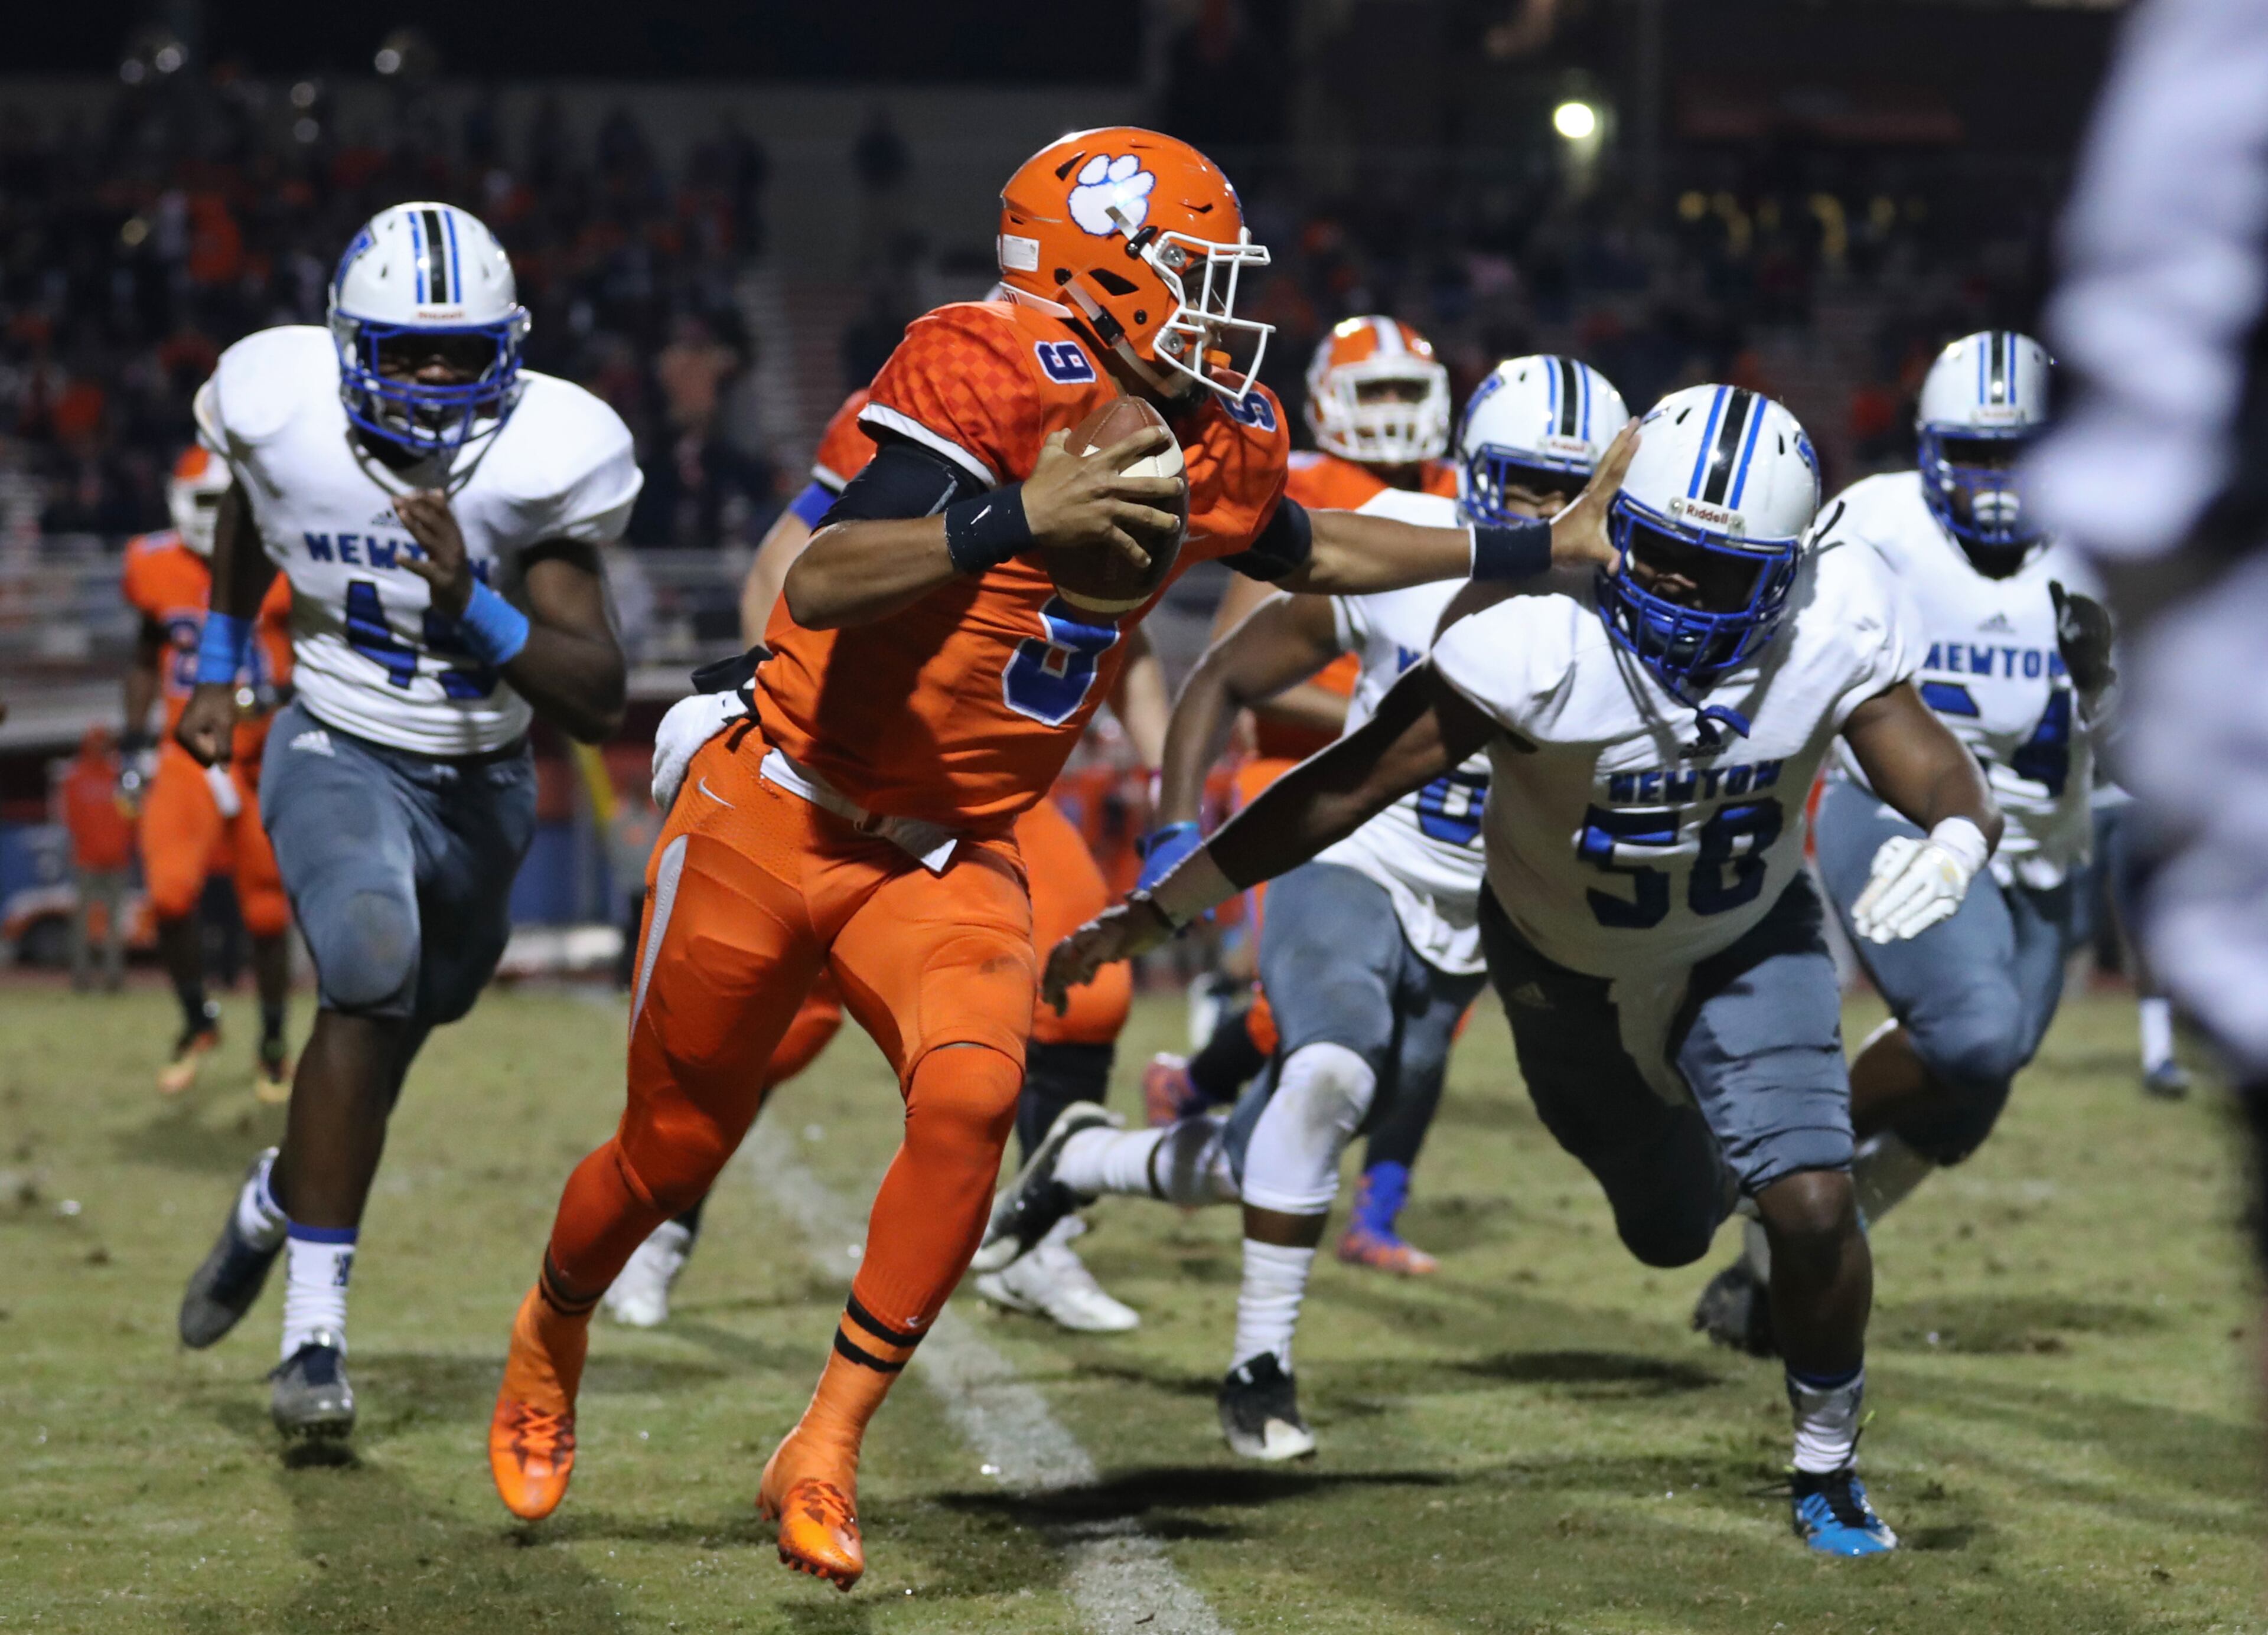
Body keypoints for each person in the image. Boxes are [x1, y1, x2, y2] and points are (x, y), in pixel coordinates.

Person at [488, 126, 1616, 1591]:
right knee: (670, 1152)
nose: (1218, 310)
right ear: (1098, 270)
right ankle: (549, 1327)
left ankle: (822, 1441)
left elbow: (1317, 546)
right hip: (783, 807)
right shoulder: (989, 365)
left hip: (947, 850)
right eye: (1191, 275)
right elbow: (824, 579)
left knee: (971, 1093)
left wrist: (1536, 552)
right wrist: (1016, 515)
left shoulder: (1209, 431)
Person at [1048, 383, 2009, 1556]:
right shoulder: (1534, 632)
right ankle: (1733, 1147)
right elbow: (1343, 784)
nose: (1685, 597)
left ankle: (1829, 1466)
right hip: (1567, 965)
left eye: (1727, 572)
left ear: (1793, 568)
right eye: (1661, 555)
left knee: (1810, 1203)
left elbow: (1933, 762)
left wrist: (1962, 833)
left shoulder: (1836, 617)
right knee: (1666, 1229)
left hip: (1747, 937)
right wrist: (1167, 903)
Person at [979, 357, 1631, 1460]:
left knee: (1274, 1144)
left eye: (1566, 491)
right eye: (1520, 485)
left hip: (1483, 915)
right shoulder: (1417, 548)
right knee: (1332, 1071)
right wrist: (1178, 839)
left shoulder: (1634, 598)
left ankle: (1087, 1160)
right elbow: (1224, 677)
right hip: (1355, 862)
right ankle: (1258, 1368)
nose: (1540, 516)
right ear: (1473, 478)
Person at [172, 202, 639, 1444]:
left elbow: (595, 694)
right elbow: (246, 508)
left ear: (509, 348)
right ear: (344, 343)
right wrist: (220, 661)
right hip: (334, 743)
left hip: (480, 783)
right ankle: (312, 1338)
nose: (435, 379)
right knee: (367, 969)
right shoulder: (280, 408)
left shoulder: (544, 456)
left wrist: (472, 603)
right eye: (407, 350)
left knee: (394, 1031)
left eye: (461, 352)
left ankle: (278, 1198)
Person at [603, 386, 1168, 1336]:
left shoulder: (1145, 425)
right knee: (773, 1032)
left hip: (992, 780)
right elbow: (796, 559)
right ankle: (656, 1227)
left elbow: (1130, 622)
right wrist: (767, 691)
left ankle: (1038, 1241)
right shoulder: (952, 391)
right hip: (862, 762)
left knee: (1089, 996)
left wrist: (1156, 767)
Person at [1691, 332, 2119, 1354]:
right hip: (1905, 814)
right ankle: (1770, 1141)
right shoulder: (1875, 525)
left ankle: (1777, 1268)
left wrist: (2110, 688)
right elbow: (1778, 652)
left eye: (2023, 453)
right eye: (1980, 453)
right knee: (1974, 1029)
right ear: (1928, 448)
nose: (2004, 481)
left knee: (1968, 1100)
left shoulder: (2110, 539)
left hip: (2046, 850)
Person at [1146, 315, 1465, 1274]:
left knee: (1437, 1009)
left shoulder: (1462, 491)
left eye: (1410, 393)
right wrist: (1385, 719)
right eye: (1376, 393)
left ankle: (1378, 1204)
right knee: (1317, 1005)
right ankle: (1200, 1096)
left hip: (1429, 791)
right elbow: (1237, 666)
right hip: (1294, 773)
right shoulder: (1307, 488)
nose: (1397, 414)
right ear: (1329, 402)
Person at [120, 446, 297, 1099]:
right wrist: (134, 744)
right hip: (186, 750)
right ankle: (199, 1019)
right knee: (167, 896)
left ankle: (274, 1040)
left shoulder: (285, 562)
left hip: (260, 752)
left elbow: (313, 655)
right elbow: (144, 655)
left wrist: (278, 699)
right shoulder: (153, 563)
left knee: (270, 915)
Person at [58, 726, 135, 993]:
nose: (101, 748)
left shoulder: (119, 776)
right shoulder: (75, 778)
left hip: (116, 861)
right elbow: (70, 819)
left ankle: (114, 978)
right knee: (82, 925)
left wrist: (124, 845)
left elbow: (131, 815)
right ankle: (81, 978)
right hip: (86, 861)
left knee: (115, 926)